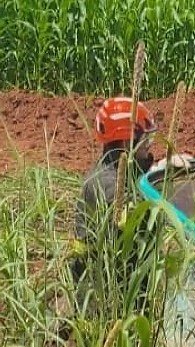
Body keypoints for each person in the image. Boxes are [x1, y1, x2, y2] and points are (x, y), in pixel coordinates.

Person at [72, 96, 158, 286]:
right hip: (101, 286)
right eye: (146, 139)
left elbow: (142, 171)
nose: (150, 145)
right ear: (127, 143)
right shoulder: (105, 184)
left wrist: (165, 168)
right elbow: (139, 218)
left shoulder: (121, 166)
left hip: (119, 271)